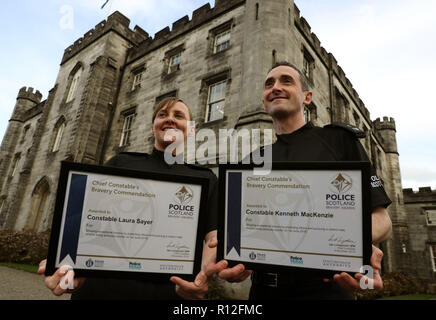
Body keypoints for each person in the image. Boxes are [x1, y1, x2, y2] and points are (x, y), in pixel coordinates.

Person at [218, 61, 392, 299]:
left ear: (307, 97)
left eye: (286, 81)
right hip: (265, 291)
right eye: (269, 84)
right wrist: (239, 261)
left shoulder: (339, 142)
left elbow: (382, 220)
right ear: (264, 101)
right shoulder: (254, 160)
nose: (276, 87)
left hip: (326, 289)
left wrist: (353, 242)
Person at [38, 97, 230, 299]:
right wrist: (67, 264)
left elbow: (212, 236)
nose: (170, 119)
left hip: (168, 293)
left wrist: (202, 275)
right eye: (162, 114)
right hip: (100, 291)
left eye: (178, 115)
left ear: (191, 130)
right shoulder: (121, 162)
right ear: (152, 128)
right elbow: (82, 217)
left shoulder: (206, 178)